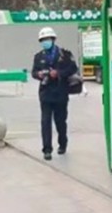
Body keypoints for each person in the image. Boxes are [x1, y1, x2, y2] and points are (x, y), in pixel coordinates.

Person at [32, 27, 78, 161]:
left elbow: (73, 68)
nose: (45, 42)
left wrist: (58, 73)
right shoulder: (38, 56)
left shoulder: (64, 54)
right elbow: (33, 72)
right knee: (45, 122)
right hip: (45, 93)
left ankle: (62, 143)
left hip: (60, 92)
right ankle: (47, 149)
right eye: (42, 40)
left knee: (60, 121)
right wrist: (39, 74)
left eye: (47, 39)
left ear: (53, 39)